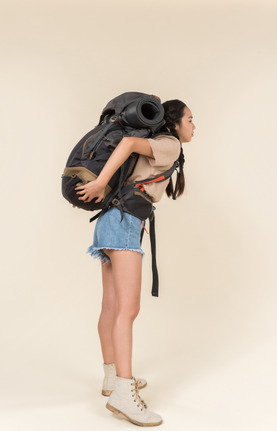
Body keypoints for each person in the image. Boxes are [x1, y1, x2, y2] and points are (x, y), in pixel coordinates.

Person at [75, 99, 196, 427]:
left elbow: (130, 148)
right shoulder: (169, 144)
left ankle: (112, 378)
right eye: (190, 119)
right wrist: (100, 183)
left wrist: (104, 186)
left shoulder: (160, 143)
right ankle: (124, 394)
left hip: (110, 220)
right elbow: (128, 143)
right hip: (125, 221)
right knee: (128, 310)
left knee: (112, 307)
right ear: (175, 123)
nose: (194, 126)